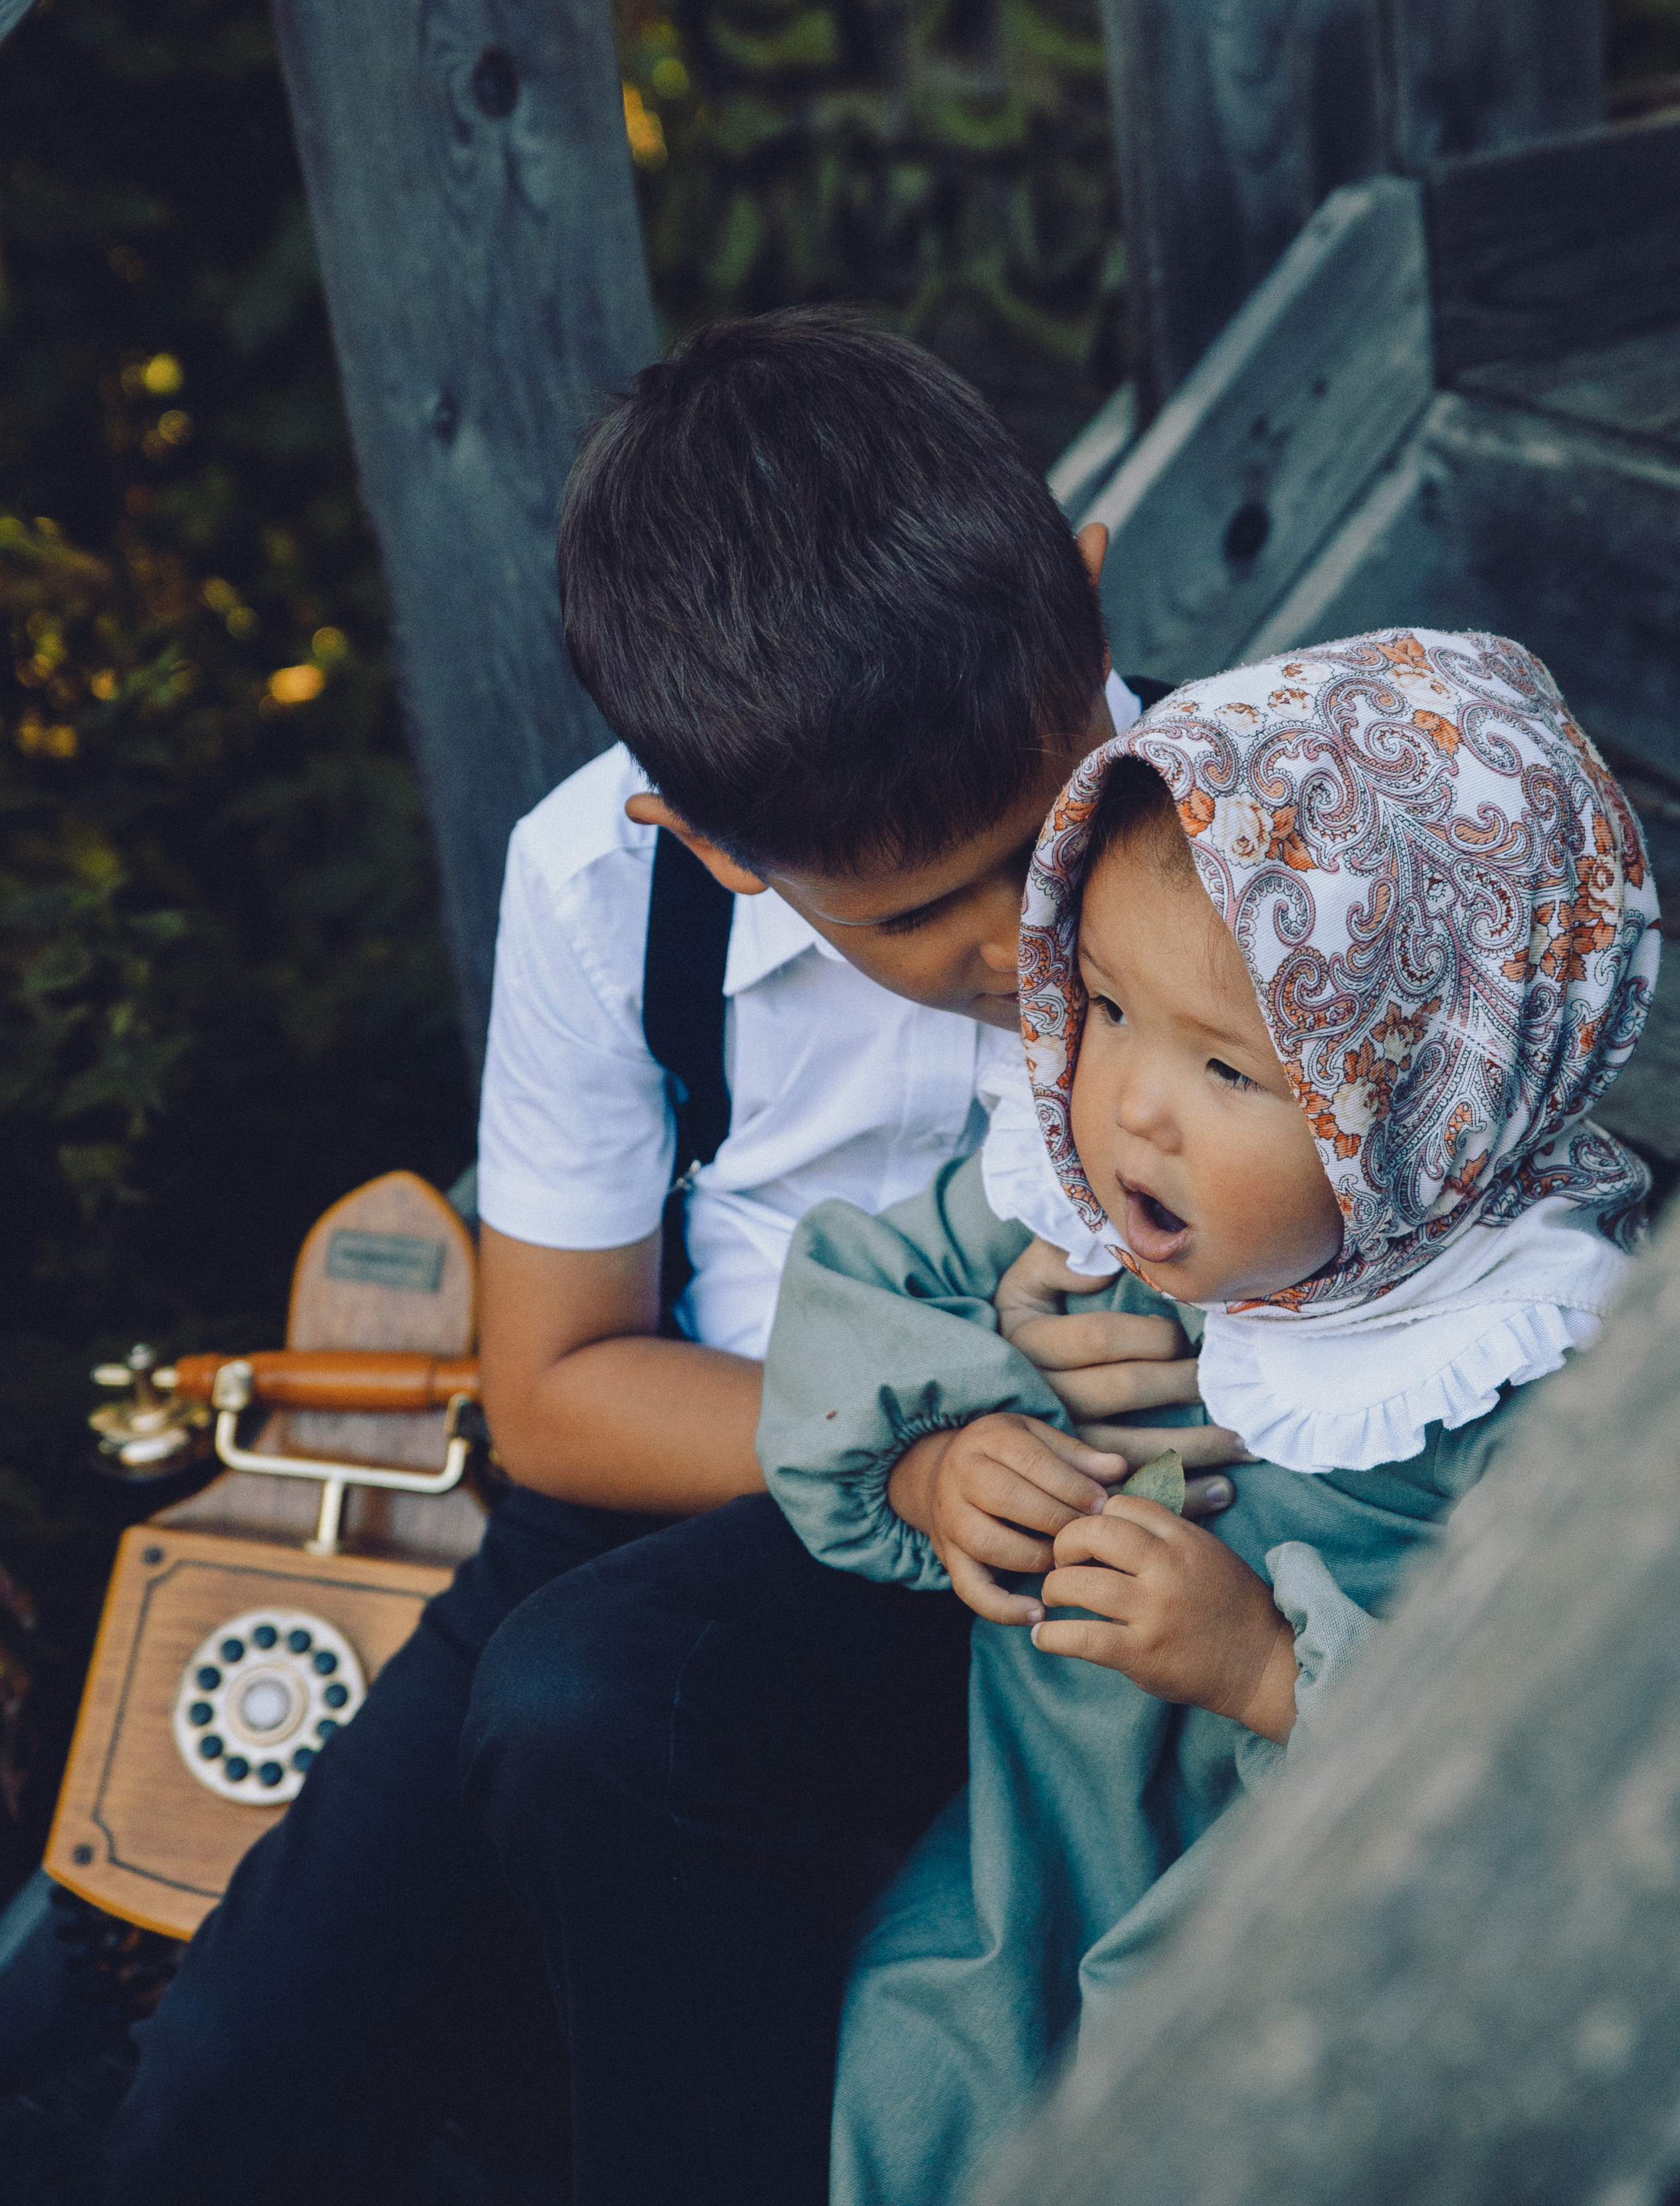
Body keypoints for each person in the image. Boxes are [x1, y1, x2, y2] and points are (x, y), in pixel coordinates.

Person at [97, 311, 1244, 2206]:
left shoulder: (1252, 824)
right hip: (712, 1440)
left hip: (1102, 1497)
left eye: (1035, 835)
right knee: (228, 2082)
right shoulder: (595, 888)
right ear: (704, 837)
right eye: (917, 906)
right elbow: (553, 1395)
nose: (1010, 936)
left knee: (597, 1712)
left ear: (1090, 602)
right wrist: (917, 1433)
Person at [756, 627, 1659, 2206]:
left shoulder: (1537, 1366)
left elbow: (1559, 1762)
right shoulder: (1077, 1204)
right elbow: (855, 1296)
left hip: (1296, 1945)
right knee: (907, 2079)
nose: (1126, 1107)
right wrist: (930, 1459)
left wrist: (1255, 1662)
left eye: (1230, 1070)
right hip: (1022, 1878)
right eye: (1103, 1007)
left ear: (1424, 1108)